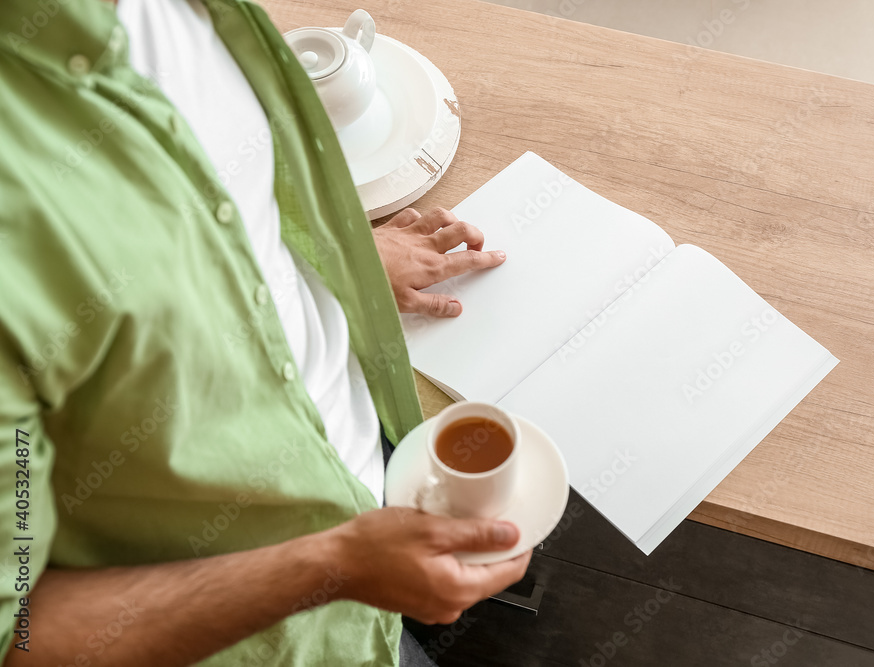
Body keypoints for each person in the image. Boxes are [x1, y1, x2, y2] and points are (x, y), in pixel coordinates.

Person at [0, 0, 530, 664]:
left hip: (372, 453)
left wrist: (330, 260)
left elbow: (210, 189)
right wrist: (332, 563)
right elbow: (17, 638)